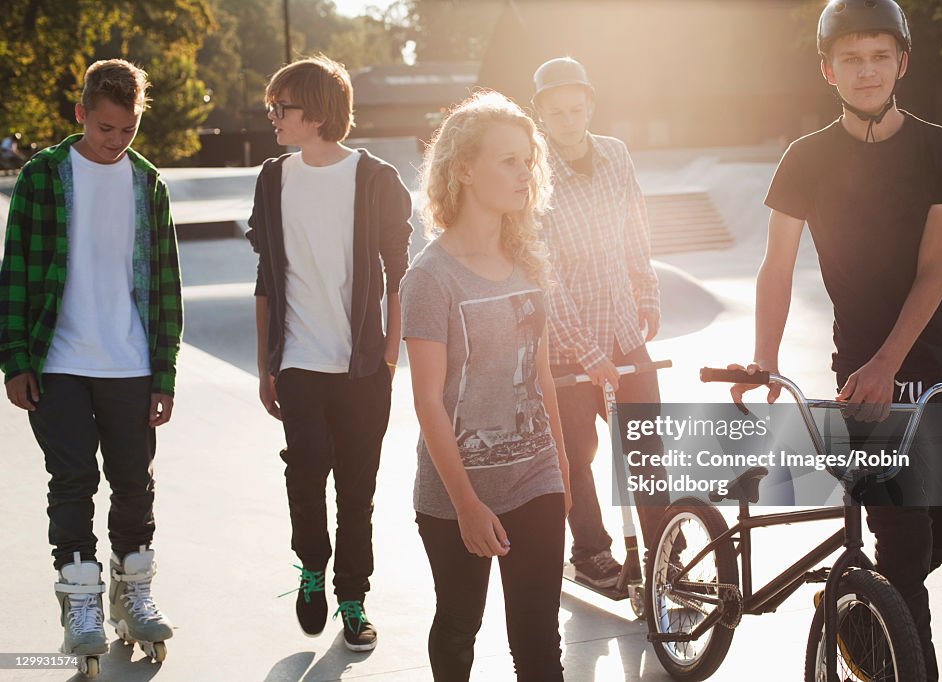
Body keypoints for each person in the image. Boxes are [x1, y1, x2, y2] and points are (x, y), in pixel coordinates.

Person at [730, 2, 942, 679]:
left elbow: (933, 271)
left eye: (878, 55)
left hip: (932, 367)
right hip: (860, 385)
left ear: (902, 62)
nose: (865, 70)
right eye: (850, 58)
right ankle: (894, 641)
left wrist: (889, 363)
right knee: (904, 552)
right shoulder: (805, 159)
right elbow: (776, 268)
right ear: (827, 70)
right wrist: (765, 359)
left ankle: (863, 611)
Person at [0, 59, 181, 662]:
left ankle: (134, 594)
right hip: (59, 361)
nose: (116, 141)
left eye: (128, 130)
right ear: (81, 115)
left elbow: (165, 286)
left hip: (129, 362)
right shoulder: (42, 176)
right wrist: (15, 360)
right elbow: (16, 274)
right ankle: (81, 601)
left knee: (134, 485)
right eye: (105, 128)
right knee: (72, 483)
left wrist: (164, 372)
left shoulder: (148, 184)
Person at [401, 90, 572, 681]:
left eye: (528, 160)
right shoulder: (429, 278)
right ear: (465, 169)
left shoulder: (528, 260)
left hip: (536, 477)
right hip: (455, 494)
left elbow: (542, 375)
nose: (525, 173)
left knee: (538, 643)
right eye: (508, 160)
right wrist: (468, 507)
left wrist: (564, 474)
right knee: (458, 628)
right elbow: (427, 402)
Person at [246, 55, 412, 649]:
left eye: (280, 107)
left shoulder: (376, 179)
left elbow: (401, 274)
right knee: (306, 473)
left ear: (316, 112)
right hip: (297, 360)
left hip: (363, 366)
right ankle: (311, 569)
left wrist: (390, 357)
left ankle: (353, 599)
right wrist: (266, 362)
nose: (272, 117)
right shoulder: (273, 178)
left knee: (357, 488)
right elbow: (267, 272)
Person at [530, 56, 666, 588]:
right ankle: (590, 553)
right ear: (541, 111)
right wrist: (588, 354)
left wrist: (647, 291)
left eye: (576, 107)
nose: (568, 118)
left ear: (590, 103)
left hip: (624, 332)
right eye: (557, 110)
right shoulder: (534, 173)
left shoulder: (615, 153)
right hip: (567, 345)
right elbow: (544, 273)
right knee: (576, 455)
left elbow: (635, 225)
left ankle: (661, 548)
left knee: (646, 445)